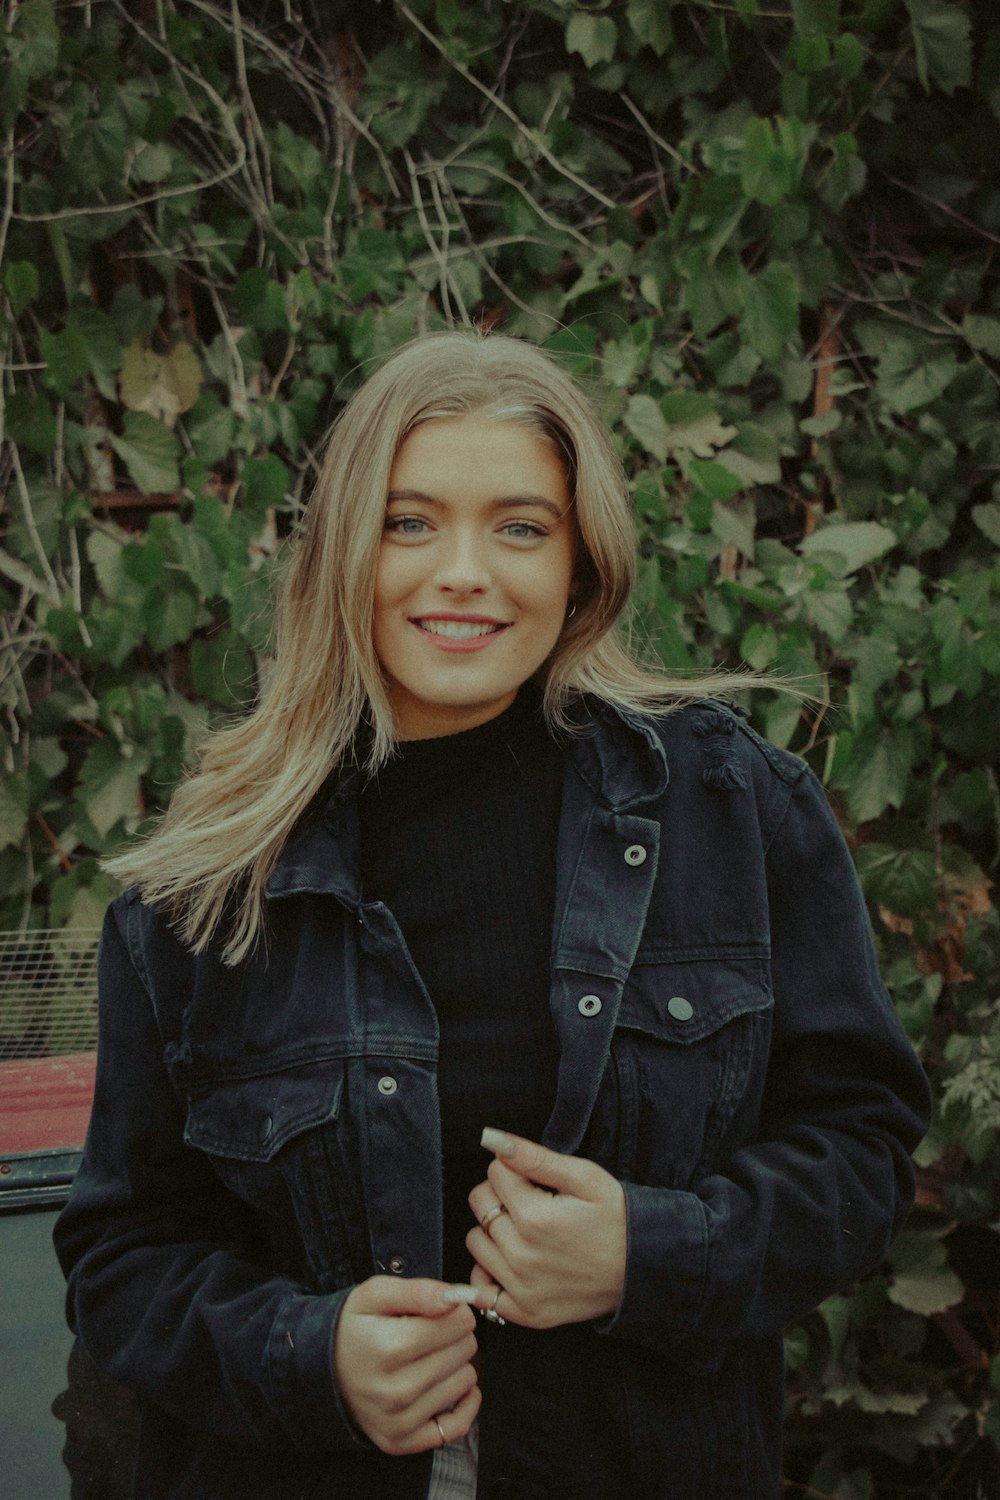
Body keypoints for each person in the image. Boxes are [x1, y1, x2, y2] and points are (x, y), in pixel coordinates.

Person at [55, 329, 931, 1500]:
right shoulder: (204, 888)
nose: (463, 570)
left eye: (520, 526)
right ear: (342, 556)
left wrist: (649, 1253)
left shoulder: (732, 811)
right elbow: (122, 1259)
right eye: (409, 523)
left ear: (581, 563)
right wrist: (312, 1359)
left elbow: (862, 1149)